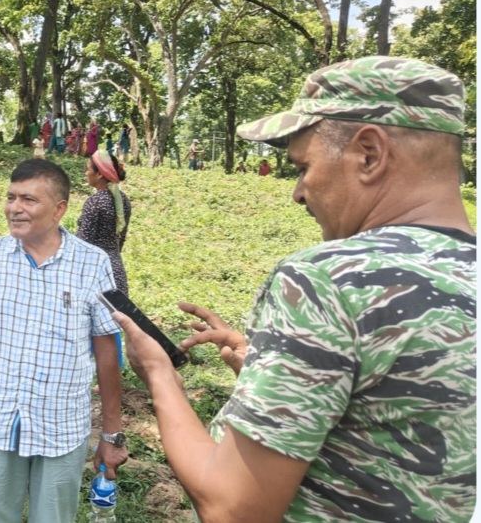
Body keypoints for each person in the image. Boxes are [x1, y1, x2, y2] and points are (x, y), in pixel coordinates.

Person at [114, 56, 476, 523]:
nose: (299, 192)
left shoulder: (327, 281)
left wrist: (160, 375)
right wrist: (285, 365)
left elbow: (232, 508)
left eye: (303, 166)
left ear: (369, 153)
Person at [0, 159, 128, 523]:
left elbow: (107, 350)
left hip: (60, 427)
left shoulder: (93, 264)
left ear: (59, 209)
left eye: (28, 199)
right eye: (11, 198)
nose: (14, 208)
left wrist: (112, 433)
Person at [77, 149, 132, 295]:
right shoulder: (123, 200)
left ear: (100, 174)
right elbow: (121, 237)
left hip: (95, 273)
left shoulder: (95, 202)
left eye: (88, 169)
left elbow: (83, 242)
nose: (86, 173)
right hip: (116, 270)